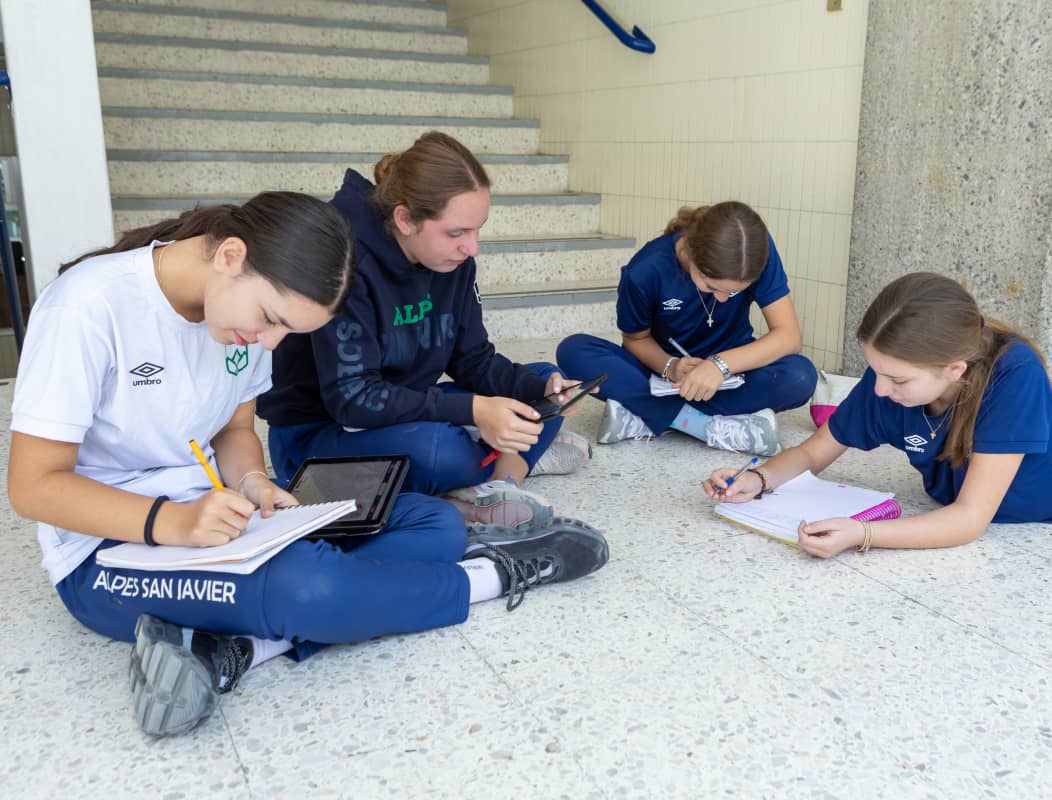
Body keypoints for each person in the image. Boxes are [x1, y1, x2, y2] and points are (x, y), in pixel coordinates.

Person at [7, 192, 609, 737]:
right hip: (105, 553)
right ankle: (497, 575)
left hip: (223, 519)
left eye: (285, 332)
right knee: (311, 586)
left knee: (434, 525)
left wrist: (253, 481)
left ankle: (238, 645)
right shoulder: (88, 305)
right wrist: (176, 522)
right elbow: (33, 486)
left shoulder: (242, 318)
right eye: (271, 319)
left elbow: (236, 429)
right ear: (231, 256)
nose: (269, 343)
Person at [704, 271, 1052, 557]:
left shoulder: (1015, 373)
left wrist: (865, 534)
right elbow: (815, 450)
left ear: (954, 368)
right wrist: (760, 479)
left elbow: (967, 519)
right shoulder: (893, 381)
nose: (878, 389)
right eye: (874, 370)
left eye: (898, 379)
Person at [259, 132, 592, 530]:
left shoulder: (453, 260)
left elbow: (473, 358)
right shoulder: (344, 259)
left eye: (477, 230)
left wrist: (539, 391)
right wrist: (472, 410)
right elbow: (353, 399)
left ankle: (503, 479)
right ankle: (505, 460)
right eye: (457, 233)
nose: (472, 248)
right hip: (320, 437)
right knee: (440, 452)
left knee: (538, 383)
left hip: (406, 410)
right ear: (404, 219)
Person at [557, 201, 818, 456]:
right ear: (692, 254)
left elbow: (788, 336)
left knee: (801, 376)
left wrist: (719, 365)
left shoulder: (753, 252)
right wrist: (670, 366)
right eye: (711, 286)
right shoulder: (646, 270)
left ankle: (648, 415)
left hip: (732, 373)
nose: (723, 298)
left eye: (734, 291)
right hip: (665, 375)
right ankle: (704, 427)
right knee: (573, 350)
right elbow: (636, 340)